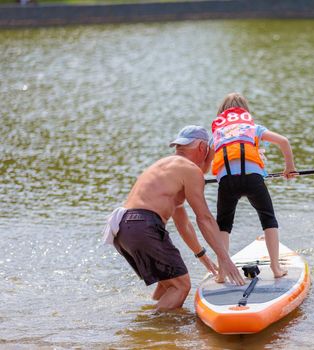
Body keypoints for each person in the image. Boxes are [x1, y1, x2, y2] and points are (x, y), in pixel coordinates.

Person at [102, 125, 245, 312]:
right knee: (181, 286)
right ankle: (151, 330)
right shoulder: (190, 170)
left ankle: (154, 318)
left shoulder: (167, 166)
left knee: (168, 282)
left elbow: (183, 224)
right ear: (203, 148)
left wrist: (202, 257)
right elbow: (205, 219)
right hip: (143, 225)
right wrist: (225, 259)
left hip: (124, 228)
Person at [209, 92, 297, 280]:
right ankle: (275, 268)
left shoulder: (217, 134)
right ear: (245, 112)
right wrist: (289, 167)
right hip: (252, 180)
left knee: (223, 226)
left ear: (221, 114)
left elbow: (208, 163)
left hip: (227, 183)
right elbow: (284, 142)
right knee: (268, 219)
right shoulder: (253, 128)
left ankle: (222, 273)